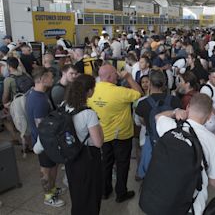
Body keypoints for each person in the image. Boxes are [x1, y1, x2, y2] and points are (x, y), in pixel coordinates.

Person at [155, 93, 215, 214]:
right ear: (209, 117)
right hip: (192, 205)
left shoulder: (171, 126)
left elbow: (158, 117)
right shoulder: (213, 141)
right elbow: (214, 182)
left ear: (187, 108)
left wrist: (175, 112)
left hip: (164, 197)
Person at [87, 64, 142, 203]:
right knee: (122, 164)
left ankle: (105, 191)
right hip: (122, 135)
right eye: (115, 74)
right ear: (110, 76)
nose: (118, 75)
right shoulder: (120, 92)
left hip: (102, 135)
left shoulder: (92, 91)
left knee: (105, 163)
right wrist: (129, 78)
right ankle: (121, 193)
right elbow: (139, 93)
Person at [64, 74, 104, 215]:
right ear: (88, 91)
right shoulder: (88, 113)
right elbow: (98, 143)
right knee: (91, 193)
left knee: (77, 191)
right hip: (88, 158)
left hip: (70, 154)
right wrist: (100, 128)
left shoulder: (65, 106)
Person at [26, 67, 65, 207]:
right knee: (46, 169)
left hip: (47, 141)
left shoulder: (39, 94)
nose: (53, 79)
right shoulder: (39, 100)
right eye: (50, 77)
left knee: (52, 166)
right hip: (44, 142)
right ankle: (48, 196)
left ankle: (53, 189)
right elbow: (42, 127)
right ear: (42, 79)